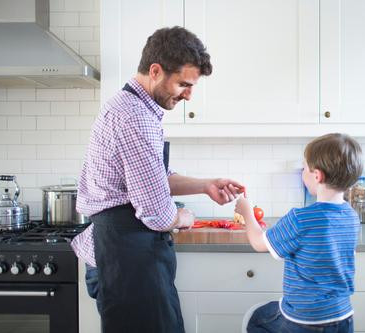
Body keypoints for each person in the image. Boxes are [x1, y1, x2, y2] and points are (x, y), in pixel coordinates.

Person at [71, 26, 244, 333]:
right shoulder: (135, 117)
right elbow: (157, 212)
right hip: (127, 260)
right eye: (183, 84)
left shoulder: (134, 109)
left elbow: (154, 178)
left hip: (126, 254)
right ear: (155, 71)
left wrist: (205, 185)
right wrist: (183, 216)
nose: (188, 95)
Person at [235, 133, 363, 333]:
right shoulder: (352, 216)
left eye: (304, 168)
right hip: (343, 316)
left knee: (256, 319)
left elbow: (259, 243)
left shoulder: (301, 218)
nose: (303, 172)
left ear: (317, 175)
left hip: (304, 319)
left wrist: (247, 212)